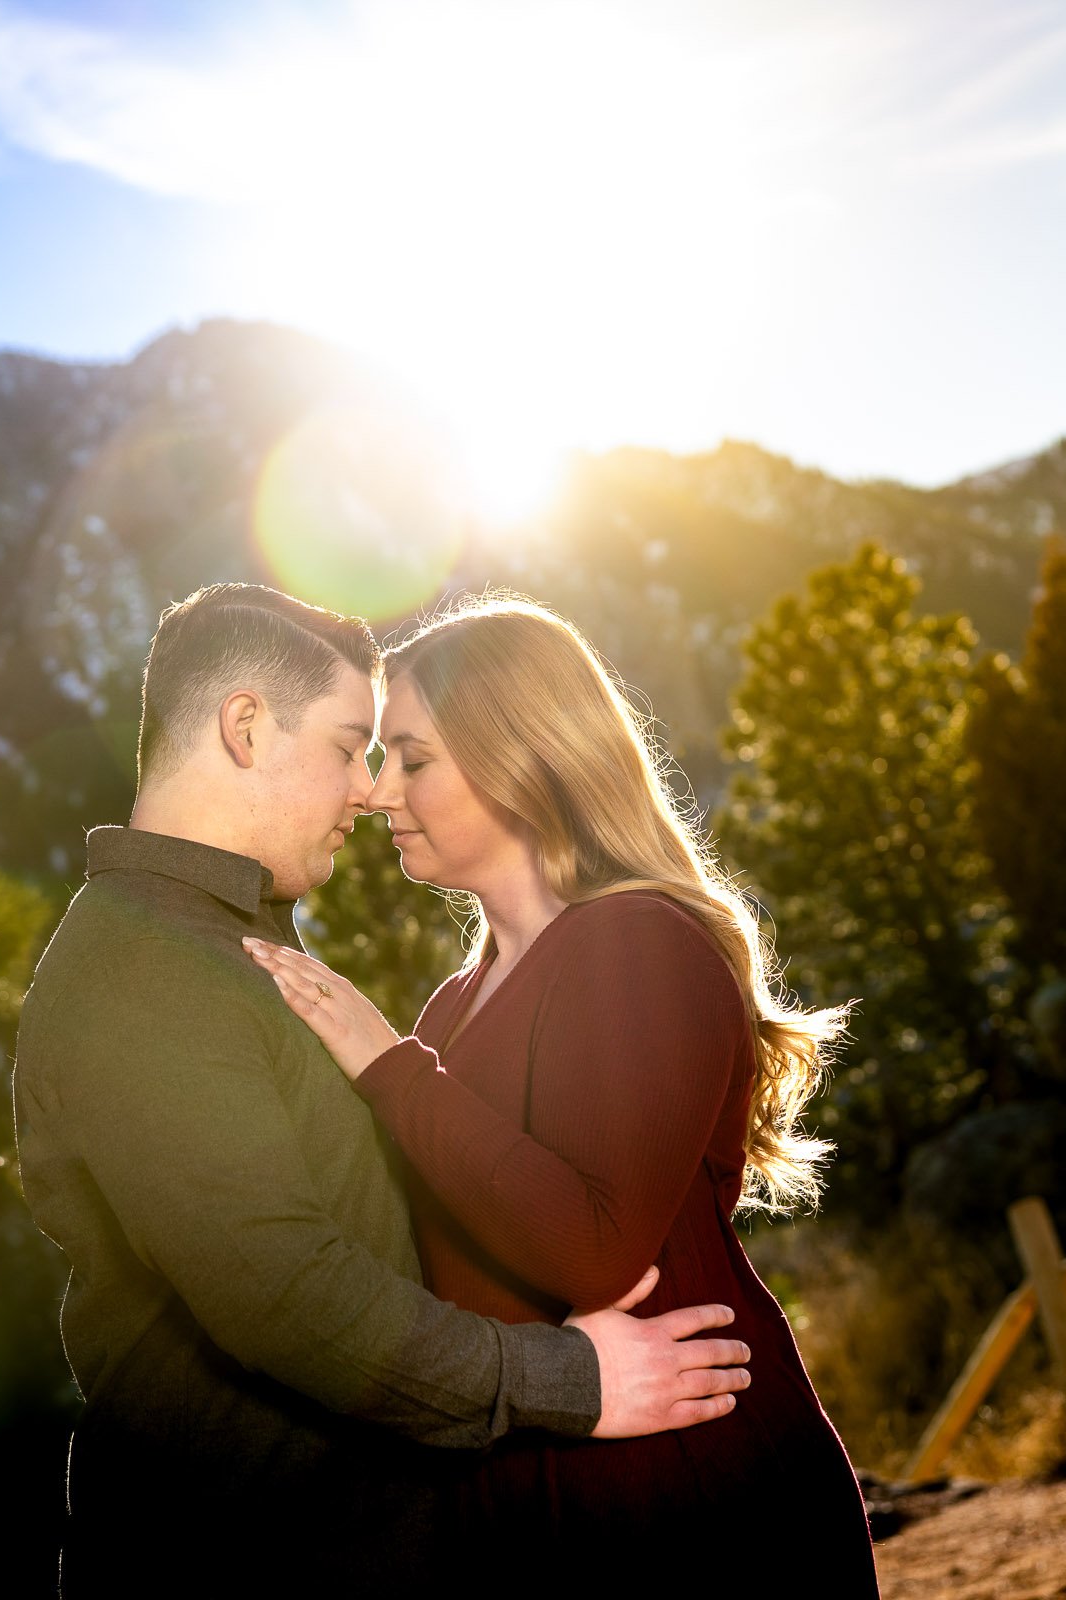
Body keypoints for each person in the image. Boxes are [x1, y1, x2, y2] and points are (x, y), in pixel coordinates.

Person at [13, 583, 755, 1596]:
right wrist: (566, 1378)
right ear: (245, 727)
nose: (366, 791)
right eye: (349, 744)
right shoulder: (148, 967)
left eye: (398, 756)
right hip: (244, 1562)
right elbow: (285, 1289)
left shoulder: (229, 946)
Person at [245, 591, 880, 1588]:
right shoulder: (452, 1005)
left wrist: (381, 1062)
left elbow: (594, 1249)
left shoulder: (636, 943)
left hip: (693, 1501)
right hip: (543, 1511)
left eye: (413, 758)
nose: (375, 794)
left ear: (520, 755)